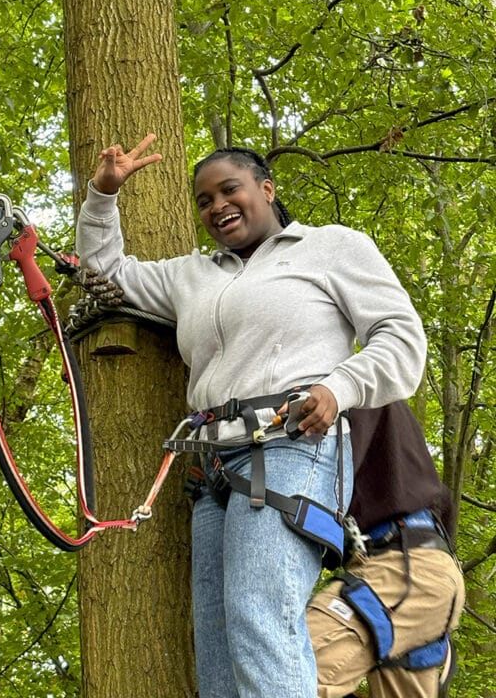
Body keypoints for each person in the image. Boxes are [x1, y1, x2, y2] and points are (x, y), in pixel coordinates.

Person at [76, 135, 427, 698]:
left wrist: (340, 387)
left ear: (266, 188)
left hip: (293, 443)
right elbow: (105, 271)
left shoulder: (330, 247)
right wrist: (103, 195)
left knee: (260, 617)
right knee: (217, 647)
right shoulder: (191, 275)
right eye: (204, 200)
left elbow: (401, 337)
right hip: (211, 466)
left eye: (229, 189)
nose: (217, 206)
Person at [307, 400, 466, 698]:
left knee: (288, 666)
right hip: (419, 569)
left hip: (403, 568)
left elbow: (315, 485)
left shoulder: (357, 390)